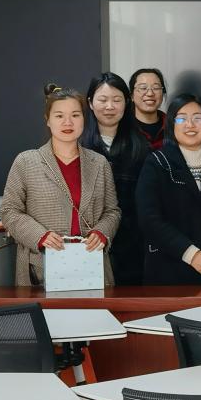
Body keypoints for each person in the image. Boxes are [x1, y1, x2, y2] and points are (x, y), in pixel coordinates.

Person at [1, 84, 120, 287]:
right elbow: (9, 211)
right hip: (41, 267)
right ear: (47, 120)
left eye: (75, 115)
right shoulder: (26, 161)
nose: (68, 122)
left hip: (91, 263)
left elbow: (112, 211)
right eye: (59, 116)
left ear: (84, 119)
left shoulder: (99, 163)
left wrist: (102, 232)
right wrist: (40, 236)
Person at [136, 93, 201, 285]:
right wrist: (192, 254)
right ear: (171, 124)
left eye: (198, 118)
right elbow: (149, 219)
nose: (190, 125)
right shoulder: (157, 163)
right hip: (169, 271)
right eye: (181, 119)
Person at [82, 72, 149, 285]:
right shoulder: (77, 143)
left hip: (131, 245)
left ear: (127, 103)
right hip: (85, 242)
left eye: (117, 100)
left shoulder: (141, 146)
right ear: (90, 103)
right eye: (102, 100)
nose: (109, 106)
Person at [130, 68, 167, 149]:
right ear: (132, 95)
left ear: (162, 93)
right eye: (143, 88)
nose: (150, 93)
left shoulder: (172, 126)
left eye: (156, 88)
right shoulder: (122, 127)